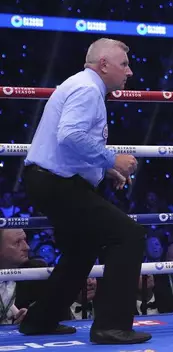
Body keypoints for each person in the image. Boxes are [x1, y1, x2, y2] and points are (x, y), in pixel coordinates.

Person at [19, 38, 151, 345]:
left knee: (82, 250)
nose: (129, 72)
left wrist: (107, 170)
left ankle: (40, 320)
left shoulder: (85, 86)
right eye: (124, 65)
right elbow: (70, 136)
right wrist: (112, 158)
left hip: (54, 180)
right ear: (103, 64)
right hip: (56, 183)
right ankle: (111, 326)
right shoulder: (87, 88)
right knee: (128, 236)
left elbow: (70, 144)